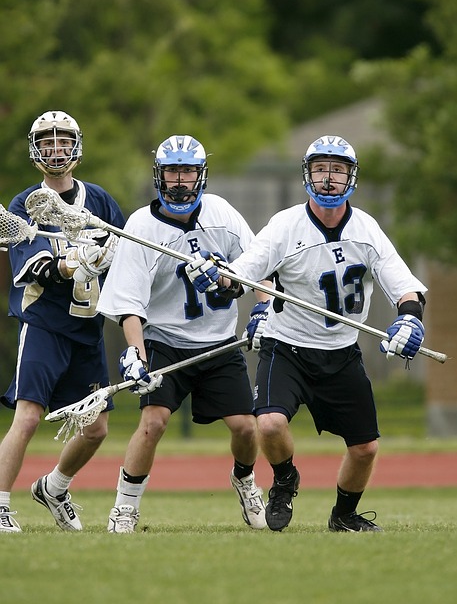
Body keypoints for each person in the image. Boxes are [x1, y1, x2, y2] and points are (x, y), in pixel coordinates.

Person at [186, 134, 427, 533]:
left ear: (351, 176)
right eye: (320, 169)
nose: (328, 179)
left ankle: (344, 514)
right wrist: (218, 279)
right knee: (269, 424)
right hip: (288, 347)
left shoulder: (366, 228)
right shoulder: (285, 225)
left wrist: (410, 319)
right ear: (307, 175)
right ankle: (284, 481)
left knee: (365, 448)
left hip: (341, 352)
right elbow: (243, 273)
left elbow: (405, 286)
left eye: (337, 169)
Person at [96, 134, 268, 533]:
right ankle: (125, 506)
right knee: (153, 422)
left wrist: (262, 308)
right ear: (159, 175)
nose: (179, 180)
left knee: (245, 427)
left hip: (219, 342)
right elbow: (128, 303)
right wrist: (136, 353)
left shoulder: (222, 214)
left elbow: (259, 264)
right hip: (165, 341)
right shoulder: (140, 226)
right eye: (172, 171)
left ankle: (244, 480)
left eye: (187, 171)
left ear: (200, 174)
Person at [0, 110, 125, 533]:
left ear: (77, 145)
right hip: (45, 325)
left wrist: (110, 255)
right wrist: (72, 263)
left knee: (96, 429)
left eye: (63, 139)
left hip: (87, 331)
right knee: (29, 416)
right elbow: (31, 267)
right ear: (36, 149)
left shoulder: (101, 201)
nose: (56, 148)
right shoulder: (24, 204)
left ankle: (53, 488)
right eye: (47, 141)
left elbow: (126, 257)